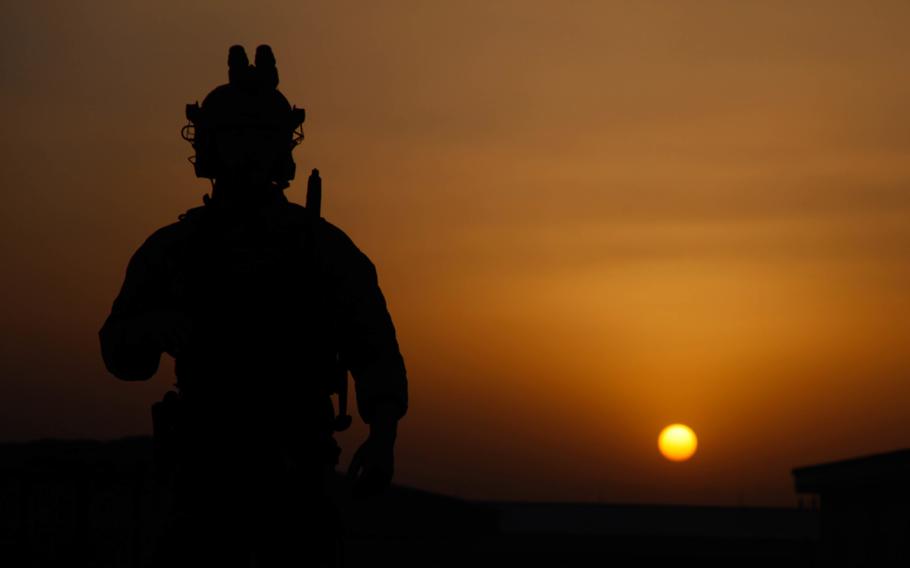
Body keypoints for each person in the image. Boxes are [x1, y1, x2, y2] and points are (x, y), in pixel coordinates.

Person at [99, 45, 408, 567]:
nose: (249, 153)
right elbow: (119, 349)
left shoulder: (322, 250)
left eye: (262, 139)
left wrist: (383, 439)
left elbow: (373, 347)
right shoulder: (175, 249)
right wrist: (154, 328)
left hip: (294, 471)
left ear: (282, 149)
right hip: (204, 472)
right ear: (211, 146)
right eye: (237, 137)